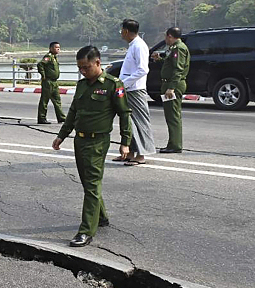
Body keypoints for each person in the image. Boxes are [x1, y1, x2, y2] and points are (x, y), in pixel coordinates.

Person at [52, 46, 132, 248]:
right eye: (80, 68)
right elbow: (73, 112)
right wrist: (62, 135)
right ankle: (101, 217)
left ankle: (86, 230)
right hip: (80, 140)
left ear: (98, 63)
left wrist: (125, 142)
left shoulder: (113, 85)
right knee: (88, 183)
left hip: (98, 142)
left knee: (93, 183)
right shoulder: (82, 85)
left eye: (86, 67)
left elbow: (124, 114)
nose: (83, 71)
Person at [116, 19, 153, 166]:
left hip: (135, 89)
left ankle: (141, 154)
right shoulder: (133, 46)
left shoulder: (139, 46)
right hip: (128, 89)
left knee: (140, 121)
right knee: (128, 121)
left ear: (126, 31)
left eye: (122, 30)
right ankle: (130, 152)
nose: (121, 33)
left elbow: (143, 69)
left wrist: (125, 83)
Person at [154, 27, 190, 153]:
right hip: (169, 83)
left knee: (173, 116)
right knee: (171, 115)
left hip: (172, 85)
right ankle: (172, 143)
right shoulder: (174, 48)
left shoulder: (178, 48)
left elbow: (178, 69)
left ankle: (175, 145)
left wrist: (171, 88)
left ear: (170, 36)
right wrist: (160, 59)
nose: (165, 40)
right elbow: (171, 64)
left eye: (166, 37)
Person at [36, 42, 66, 124]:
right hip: (48, 82)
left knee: (57, 100)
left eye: (59, 47)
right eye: (56, 47)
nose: (58, 49)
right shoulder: (48, 56)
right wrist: (43, 75)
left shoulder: (54, 57)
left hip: (54, 82)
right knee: (44, 100)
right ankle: (42, 118)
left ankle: (61, 117)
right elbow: (40, 65)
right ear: (51, 48)